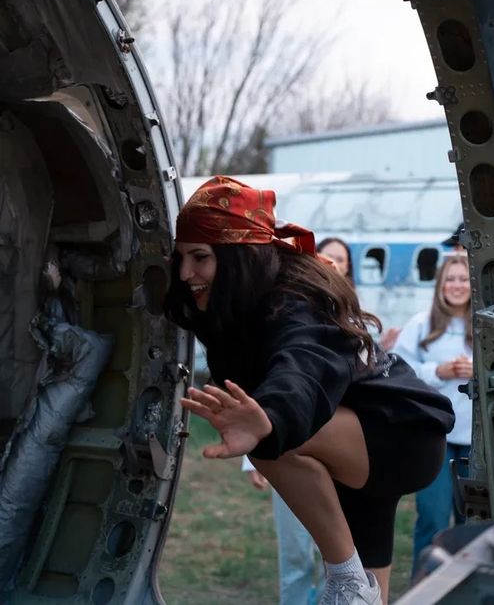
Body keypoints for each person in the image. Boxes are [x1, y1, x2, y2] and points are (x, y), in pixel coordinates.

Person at [164, 176, 455, 605]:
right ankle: (354, 584)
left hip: (396, 435)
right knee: (369, 597)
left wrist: (270, 418)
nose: (186, 273)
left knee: (270, 445)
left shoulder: (293, 298)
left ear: (239, 255)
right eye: (181, 258)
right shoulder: (242, 303)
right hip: (364, 442)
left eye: (201, 258)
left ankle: (345, 578)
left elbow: (302, 365)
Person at [391, 254, 472, 575]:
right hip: (435, 438)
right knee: (434, 520)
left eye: (463, 278)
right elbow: (397, 369)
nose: (456, 285)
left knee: (472, 523)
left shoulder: (484, 323)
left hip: (477, 442)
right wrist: (436, 370)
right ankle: (424, 589)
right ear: (440, 285)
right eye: (450, 279)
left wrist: (477, 372)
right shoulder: (422, 324)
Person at [242, 454, 325, 604]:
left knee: (336, 558)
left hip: (338, 459)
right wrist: (252, 457)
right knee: (294, 552)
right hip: (288, 456)